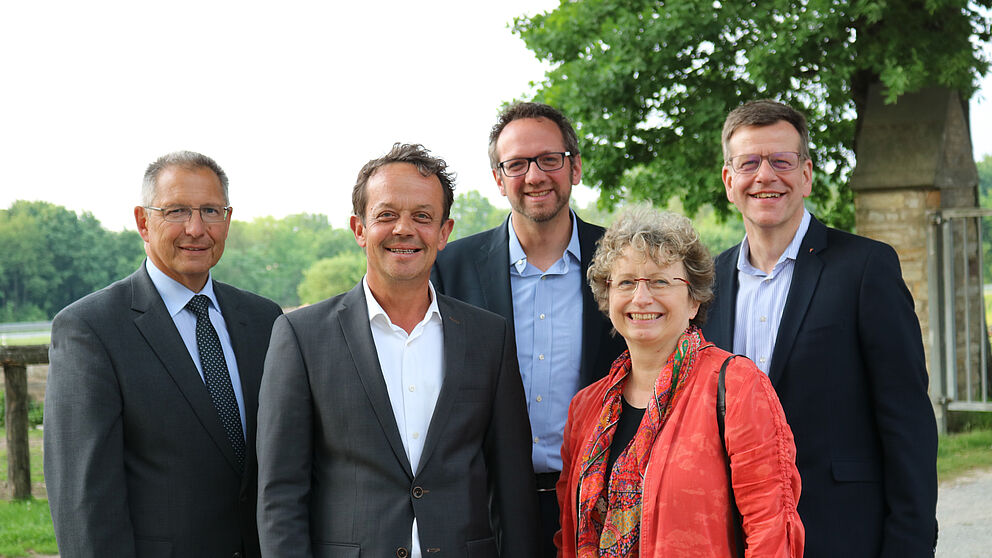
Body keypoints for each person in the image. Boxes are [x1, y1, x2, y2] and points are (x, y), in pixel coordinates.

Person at [256, 143, 539, 557]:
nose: (404, 229)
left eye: (422, 216)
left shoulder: (488, 337)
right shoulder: (300, 336)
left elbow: (512, 486)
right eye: (386, 215)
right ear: (359, 228)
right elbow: (280, 495)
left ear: (444, 233)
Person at [702, 99, 938, 557]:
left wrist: (909, 545)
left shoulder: (866, 268)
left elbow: (907, 421)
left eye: (782, 161)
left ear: (806, 174)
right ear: (730, 181)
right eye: (749, 162)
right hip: (734, 538)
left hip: (843, 534)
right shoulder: (705, 287)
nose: (765, 175)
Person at [44, 151, 283, 558]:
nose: (196, 228)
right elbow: (83, 502)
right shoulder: (90, 330)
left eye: (210, 210)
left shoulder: (265, 320)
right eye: (176, 211)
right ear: (143, 222)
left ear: (227, 220)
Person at [432, 102, 626, 556]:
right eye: (516, 164)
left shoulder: (623, 261)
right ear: (499, 179)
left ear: (574, 167)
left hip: (602, 502)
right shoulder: (450, 270)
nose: (535, 175)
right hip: (487, 508)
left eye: (549, 159)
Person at [556, 206, 803, 557]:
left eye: (660, 281)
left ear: (693, 299)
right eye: (626, 282)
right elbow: (567, 537)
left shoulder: (736, 387)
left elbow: (772, 531)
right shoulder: (586, 408)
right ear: (607, 297)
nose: (641, 298)